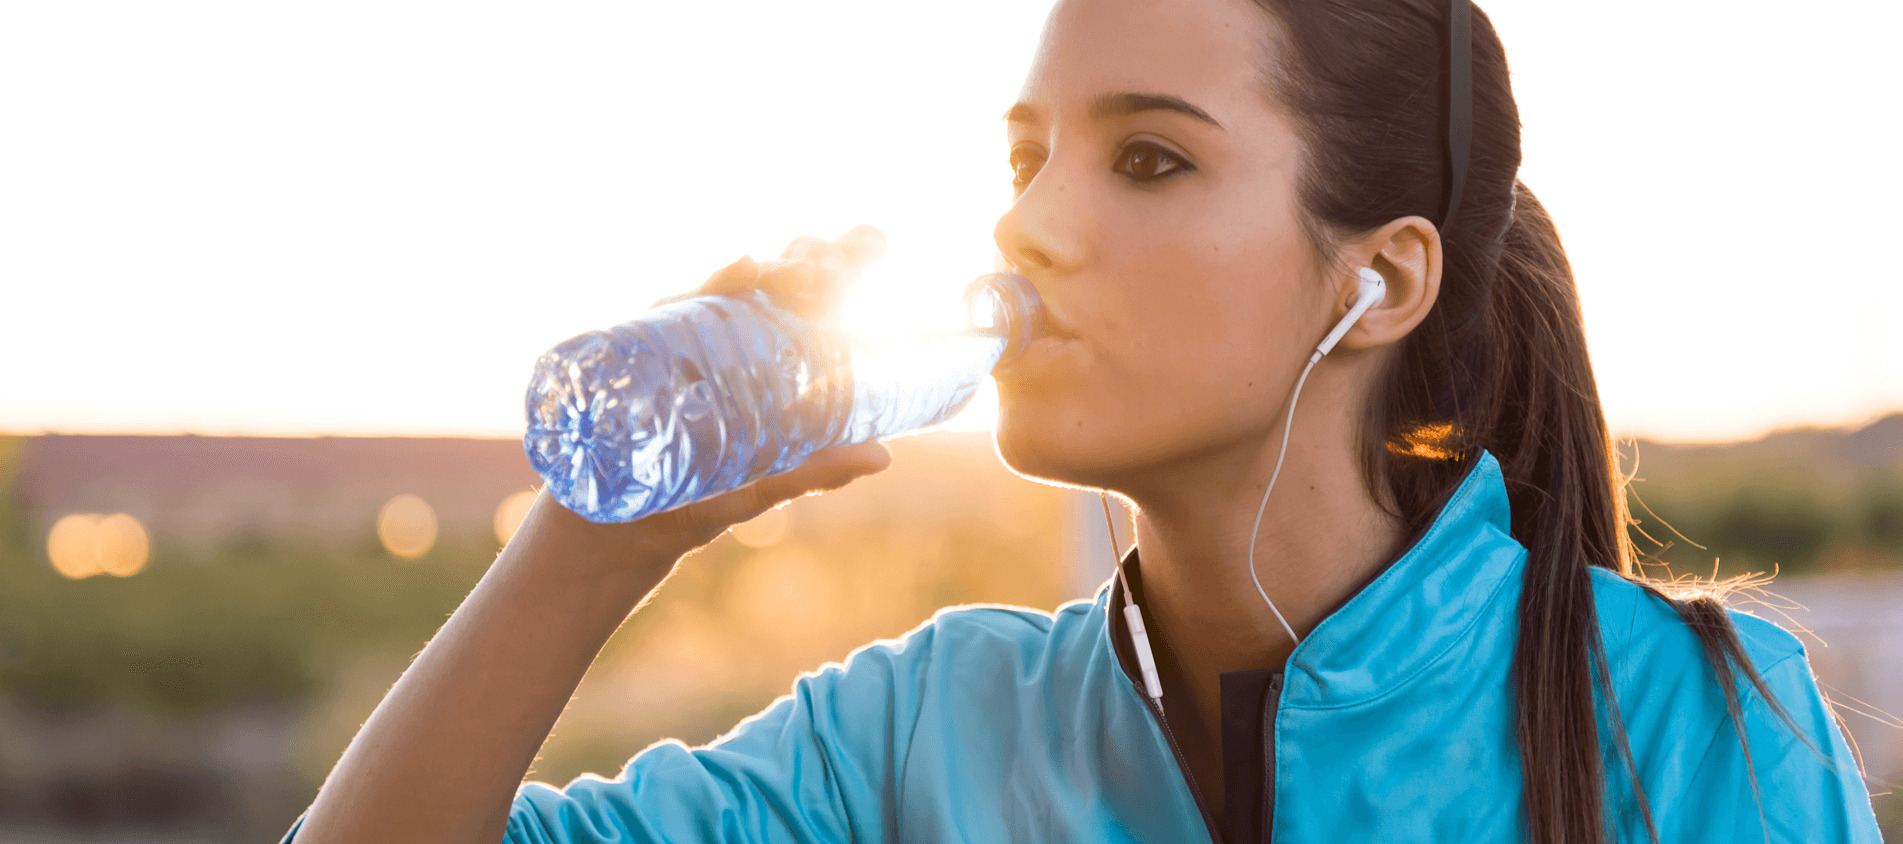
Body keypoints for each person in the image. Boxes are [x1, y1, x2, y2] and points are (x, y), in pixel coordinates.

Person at [281, 0, 1886, 841]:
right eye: (1025, 157)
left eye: (1151, 160)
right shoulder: (917, 737)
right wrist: (590, 547)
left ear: (1382, 278)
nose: (1027, 225)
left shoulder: (1695, 722)